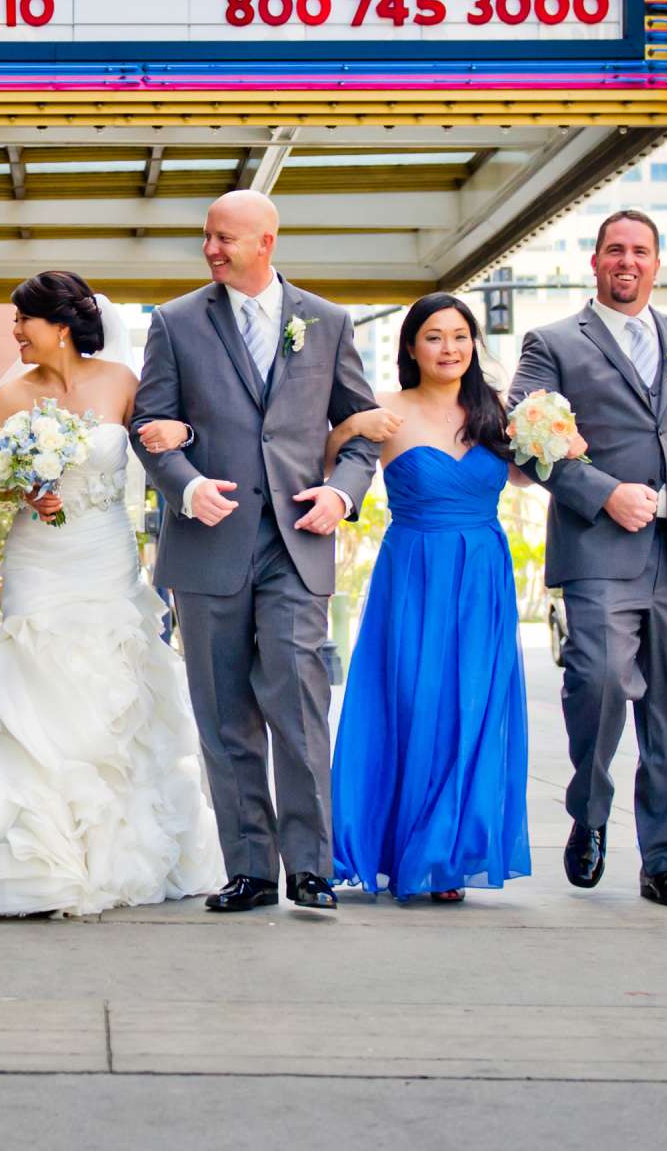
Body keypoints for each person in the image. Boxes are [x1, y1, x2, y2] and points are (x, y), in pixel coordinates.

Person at [0, 272, 222, 917]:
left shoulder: (121, 381)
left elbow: (164, 442)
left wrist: (189, 444)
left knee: (112, 685)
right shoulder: (7, 394)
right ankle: (38, 859)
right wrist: (21, 488)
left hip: (105, 555)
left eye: (21, 322)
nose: (14, 334)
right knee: (36, 684)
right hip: (39, 558)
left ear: (57, 324)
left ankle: (114, 852)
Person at [130, 191, 381, 914]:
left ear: (266, 241)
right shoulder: (175, 324)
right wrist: (184, 485)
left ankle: (310, 867)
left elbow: (359, 427)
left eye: (224, 238)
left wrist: (342, 492)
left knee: (299, 703)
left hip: (297, 543)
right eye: (206, 236)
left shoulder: (327, 323)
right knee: (223, 711)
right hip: (209, 543)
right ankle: (249, 869)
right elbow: (152, 424)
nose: (210, 249)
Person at [507, 210, 667, 909]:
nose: (628, 261)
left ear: (656, 263)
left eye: (640, 251)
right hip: (600, 548)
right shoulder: (552, 343)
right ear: (595, 262)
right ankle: (588, 812)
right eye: (615, 250)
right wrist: (602, 493)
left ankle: (665, 860)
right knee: (602, 679)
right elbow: (529, 436)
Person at [323, 294, 534, 904]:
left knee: (474, 705)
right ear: (412, 346)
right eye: (435, 337)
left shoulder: (496, 411)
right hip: (413, 569)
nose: (450, 348)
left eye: (461, 336)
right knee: (413, 701)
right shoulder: (386, 408)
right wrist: (347, 427)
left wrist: (559, 441)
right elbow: (327, 463)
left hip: (484, 573)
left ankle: (444, 854)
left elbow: (523, 475)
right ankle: (396, 843)